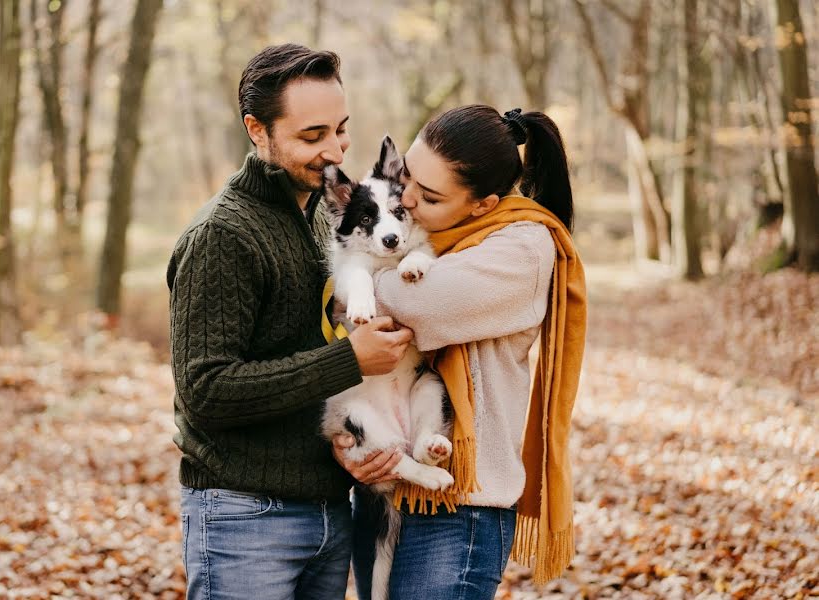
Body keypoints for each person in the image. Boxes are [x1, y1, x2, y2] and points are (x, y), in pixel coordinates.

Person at [166, 44, 414, 600]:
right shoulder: (224, 235)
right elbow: (206, 390)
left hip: (330, 510)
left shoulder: (323, 216)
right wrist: (348, 359)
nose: (334, 151)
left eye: (342, 130)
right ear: (258, 130)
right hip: (244, 518)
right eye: (312, 136)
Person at [333, 105, 587, 600]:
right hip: (392, 482)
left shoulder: (523, 248)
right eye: (406, 177)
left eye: (426, 195)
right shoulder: (426, 236)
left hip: (461, 507)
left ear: (482, 204)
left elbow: (413, 304)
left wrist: (355, 277)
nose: (403, 199)